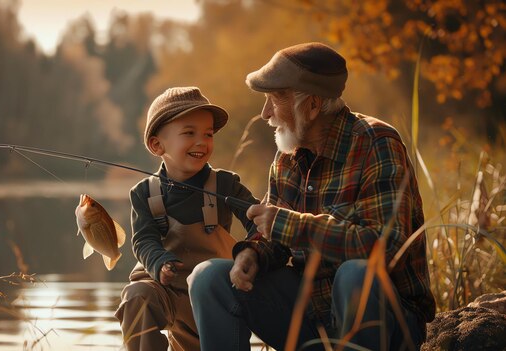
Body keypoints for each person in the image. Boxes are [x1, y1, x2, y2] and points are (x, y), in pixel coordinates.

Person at [188, 42, 436, 350]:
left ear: (313, 105)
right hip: (313, 317)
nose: (265, 113)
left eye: (275, 99)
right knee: (209, 277)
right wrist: (253, 253)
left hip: (389, 324)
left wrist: (291, 225)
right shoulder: (286, 157)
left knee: (355, 275)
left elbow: (385, 248)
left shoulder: (377, 144)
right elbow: (274, 235)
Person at [115, 87, 258, 351]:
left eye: (208, 134)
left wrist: (250, 252)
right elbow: (144, 239)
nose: (202, 142)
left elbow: (256, 221)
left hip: (215, 292)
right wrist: (158, 262)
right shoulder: (144, 193)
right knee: (137, 296)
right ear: (157, 145)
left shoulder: (225, 184)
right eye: (189, 133)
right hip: (165, 289)